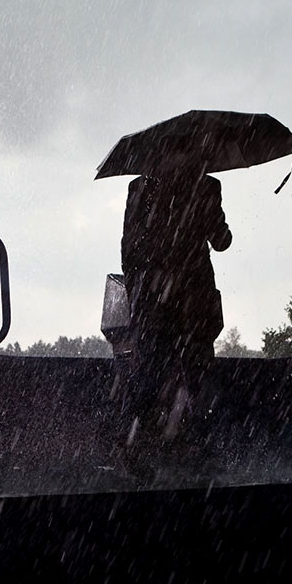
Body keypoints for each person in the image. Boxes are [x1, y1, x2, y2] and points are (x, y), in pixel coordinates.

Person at [120, 164, 232, 479]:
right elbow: (222, 241)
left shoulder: (140, 187)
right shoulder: (206, 186)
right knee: (196, 374)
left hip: (156, 300)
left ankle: (135, 444)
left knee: (151, 372)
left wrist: (139, 294)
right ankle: (197, 447)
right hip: (191, 301)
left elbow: (129, 249)